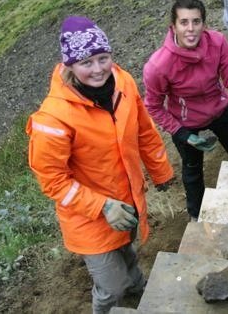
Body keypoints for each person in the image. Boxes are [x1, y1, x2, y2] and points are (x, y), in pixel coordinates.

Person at [26, 16, 175, 314]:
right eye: (87, 62)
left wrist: (161, 172)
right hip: (88, 217)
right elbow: (52, 180)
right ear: (69, 65)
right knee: (111, 287)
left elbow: (144, 131)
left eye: (103, 58)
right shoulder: (53, 118)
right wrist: (102, 207)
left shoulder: (123, 82)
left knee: (127, 251)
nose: (98, 70)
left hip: (127, 199)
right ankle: (109, 306)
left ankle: (137, 287)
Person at [143, 0, 228, 221]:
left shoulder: (217, 42)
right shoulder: (158, 65)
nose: (190, 29)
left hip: (218, 108)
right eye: (184, 22)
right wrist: (182, 133)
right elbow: (153, 106)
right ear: (173, 26)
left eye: (196, 21)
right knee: (192, 170)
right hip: (186, 121)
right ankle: (197, 214)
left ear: (204, 24)